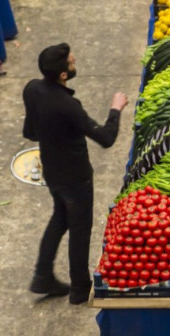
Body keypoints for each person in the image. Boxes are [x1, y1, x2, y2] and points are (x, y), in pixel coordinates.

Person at [23, 43, 128, 304]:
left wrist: (53, 135)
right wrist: (116, 109)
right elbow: (105, 138)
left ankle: (42, 274)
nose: (75, 61)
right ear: (62, 75)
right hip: (76, 177)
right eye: (71, 62)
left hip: (52, 171)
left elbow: (30, 132)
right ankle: (80, 288)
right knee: (80, 229)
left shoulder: (33, 89)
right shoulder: (68, 106)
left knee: (60, 217)